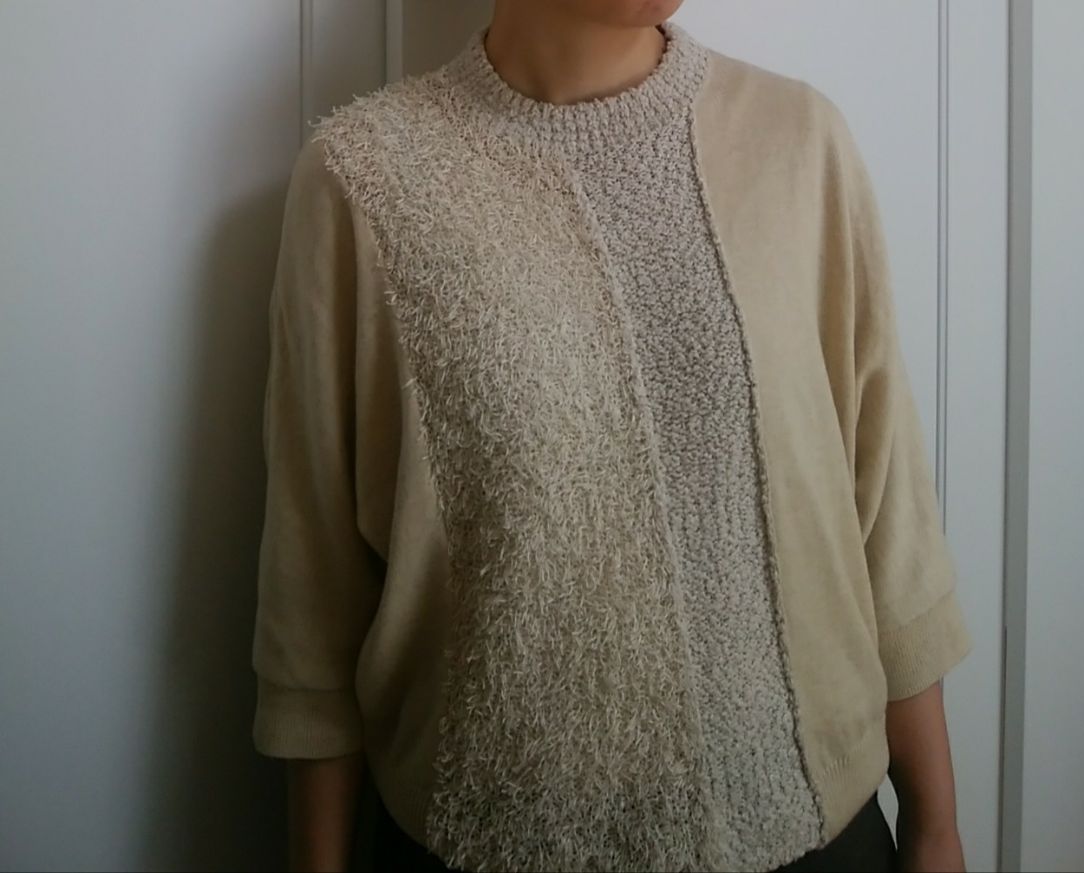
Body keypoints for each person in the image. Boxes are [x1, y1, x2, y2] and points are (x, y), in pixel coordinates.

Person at [250, 1, 973, 871]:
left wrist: (935, 824)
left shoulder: (798, 141)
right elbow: (313, 597)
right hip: (482, 844)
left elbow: (886, 514)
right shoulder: (362, 179)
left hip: (819, 834)